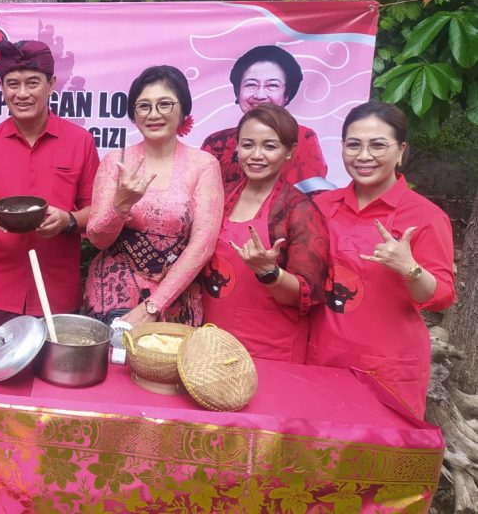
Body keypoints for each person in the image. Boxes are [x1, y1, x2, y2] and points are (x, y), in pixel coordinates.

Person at [309, 102, 455, 418]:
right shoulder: (321, 205)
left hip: (388, 368)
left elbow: (440, 297)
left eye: (378, 145)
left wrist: (410, 269)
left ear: (401, 150)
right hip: (323, 357)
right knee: (318, 457)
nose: (363, 156)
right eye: (354, 145)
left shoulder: (425, 216)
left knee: (378, 461)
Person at [0, 40, 99, 332]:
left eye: (32, 83)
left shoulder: (79, 142)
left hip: (56, 294)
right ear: (1, 87)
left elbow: (95, 213)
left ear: (51, 84)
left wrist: (68, 220)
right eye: (12, 84)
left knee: (54, 375)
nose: (22, 94)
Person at [85, 65, 222, 326]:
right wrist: (122, 204)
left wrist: (154, 306)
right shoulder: (116, 161)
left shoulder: (203, 165)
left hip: (175, 299)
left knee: (165, 365)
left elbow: (202, 244)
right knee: (111, 366)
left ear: (183, 109)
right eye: (144, 106)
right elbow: (97, 239)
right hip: (111, 296)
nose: (154, 114)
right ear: (133, 114)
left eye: (164, 104)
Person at [200, 104, 329, 362]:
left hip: (269, 347)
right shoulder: (222, 194)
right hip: (212, 337)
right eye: (248, 145)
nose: (256, 155)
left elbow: (306, 294)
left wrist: (270, 273)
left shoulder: (299, 210)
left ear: (290, 151)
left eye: (270, 146)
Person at [201, 45, 333, 193]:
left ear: (287, 94)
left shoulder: (302, 137)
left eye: (272, 85)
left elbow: (312, 196)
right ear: (237, 91)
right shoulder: (215, 142)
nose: (260, 95)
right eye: (251, 84)